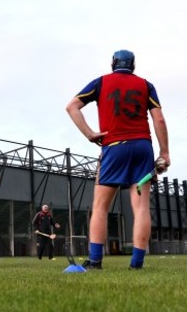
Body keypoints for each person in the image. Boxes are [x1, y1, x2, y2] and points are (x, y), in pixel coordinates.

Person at [66, 49, 170, 270]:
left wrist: (89, 133)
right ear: (133, 64)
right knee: (141, 208)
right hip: (143, 147)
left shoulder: (100, 82)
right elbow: (158, 119)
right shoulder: (146, 85)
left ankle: (95, 261)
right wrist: (165, 152)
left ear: (113, 63)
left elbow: (72, 106)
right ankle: (137, 263)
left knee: (101, 206)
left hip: (113, 147)